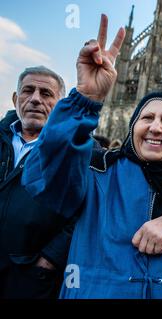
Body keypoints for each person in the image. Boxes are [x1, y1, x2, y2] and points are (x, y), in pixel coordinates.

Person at [22, 14, 162, 299]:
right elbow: (41, 177)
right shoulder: (96, 171)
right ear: (132, 128)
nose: (155, 126)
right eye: (147, 118)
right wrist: (85, 99)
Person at [0, 66, 78, 298]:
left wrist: (50, 259)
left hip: (30, 277)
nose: (35, 99)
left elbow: (85, 210)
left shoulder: (76, 149)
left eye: (46, 94)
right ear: (16, 98)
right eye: (28, 91)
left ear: (60, 104)